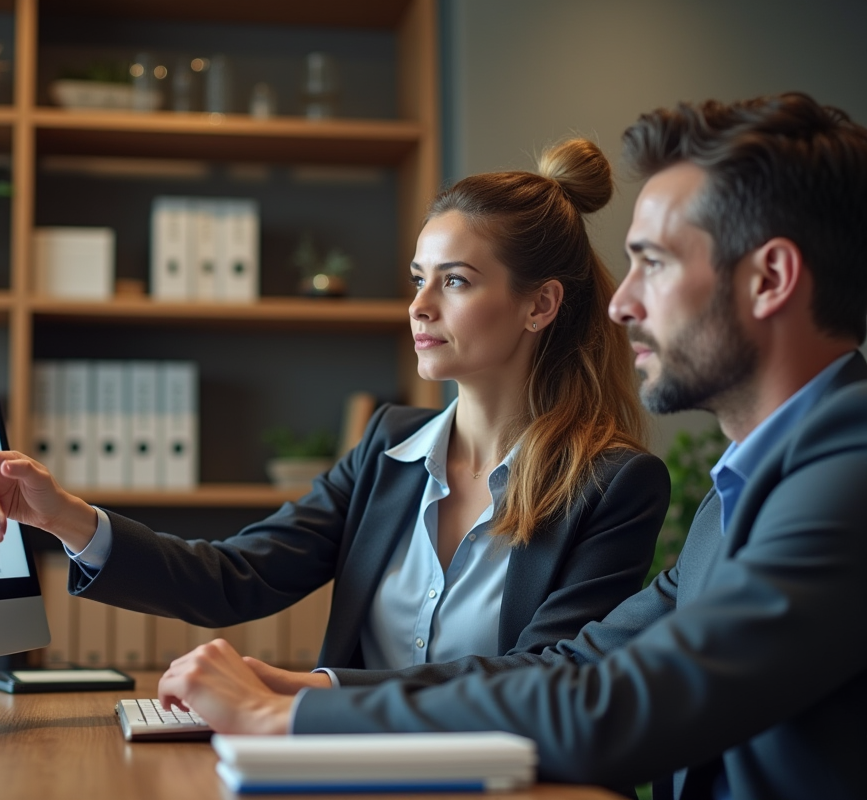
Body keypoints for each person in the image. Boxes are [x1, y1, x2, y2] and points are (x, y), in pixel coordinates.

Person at [152, 93, 867, 800]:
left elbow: (615, 710)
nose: (622, 304)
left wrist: (292, 718)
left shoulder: (848, 478)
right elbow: (572, 668)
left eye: (654, 262)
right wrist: (314, 690)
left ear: (769, 279)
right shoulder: (742, 492)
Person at [0, 139, 668, 688]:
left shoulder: (614, 485)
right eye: (419, 279)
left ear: (539, 304)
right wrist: (65, 516)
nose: (419, 306)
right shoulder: (388, 448)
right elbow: (233, 577)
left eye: (456, 281)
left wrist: (319, 693)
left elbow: (543, 681)